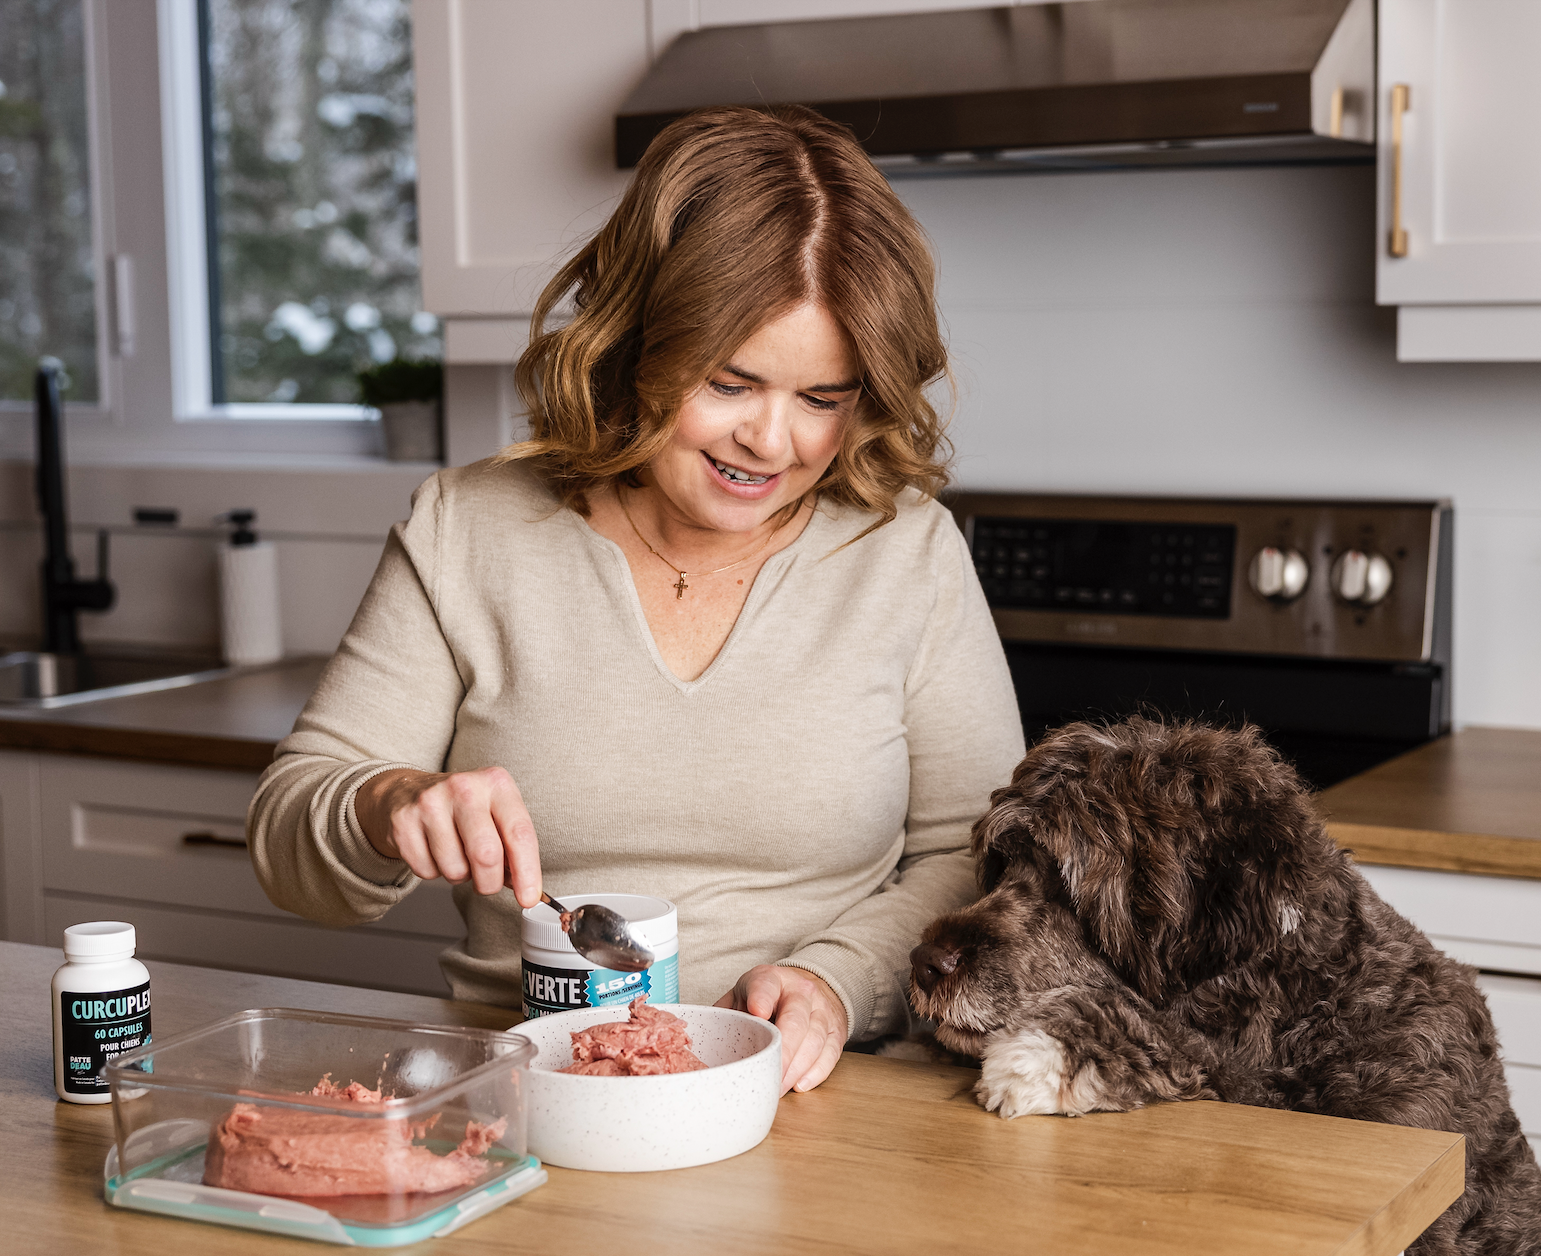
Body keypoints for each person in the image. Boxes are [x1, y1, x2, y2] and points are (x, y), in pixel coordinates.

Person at [248, 104, 1024, 1096]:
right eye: (730, 382)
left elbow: (985, 858)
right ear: (635, 344)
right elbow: (286, 831)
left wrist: (838, 978)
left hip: (822, 1101)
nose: (771, 440)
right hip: (521, 1098)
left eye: (821, 398)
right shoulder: (470, 529)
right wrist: (382, 801)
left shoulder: (900, 548)